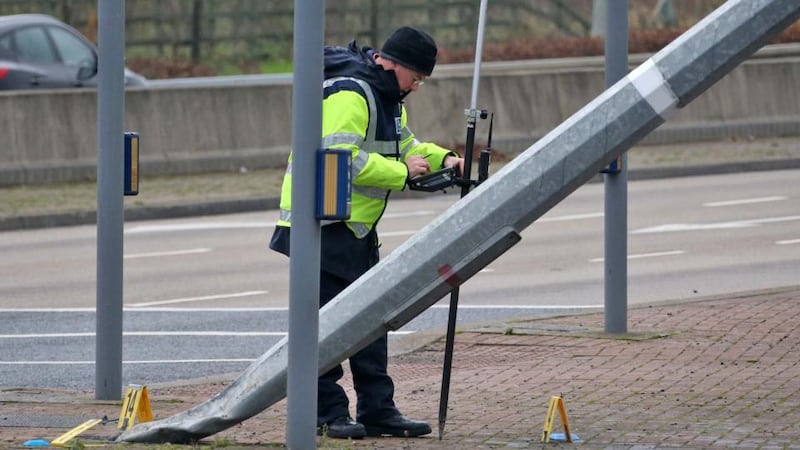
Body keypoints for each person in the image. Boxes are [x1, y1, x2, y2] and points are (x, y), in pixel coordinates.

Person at [269, 26, 464, 440]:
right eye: (416, 77)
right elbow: (338, 158)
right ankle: (327, 412)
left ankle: (378, 410)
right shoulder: (351, 94)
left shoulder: (389, 100)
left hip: (352, 226)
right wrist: (401, 173)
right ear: (392, 64)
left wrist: (445, 158)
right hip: (319, 224)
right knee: (327, 325)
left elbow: (407, 148)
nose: (418, 86)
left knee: (370, 321)